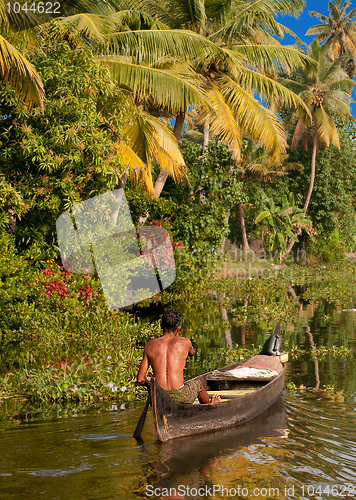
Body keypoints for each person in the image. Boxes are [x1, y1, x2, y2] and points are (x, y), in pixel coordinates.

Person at [137, 310, 221, 404]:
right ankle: (210, 407)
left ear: (161, 325)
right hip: (179, 395)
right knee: (198, 384)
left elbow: (140, 379)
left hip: (159, 396)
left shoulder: (149, 345)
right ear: (178, 328)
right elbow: (192, 353)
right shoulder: (185, 342)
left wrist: (150, 386)